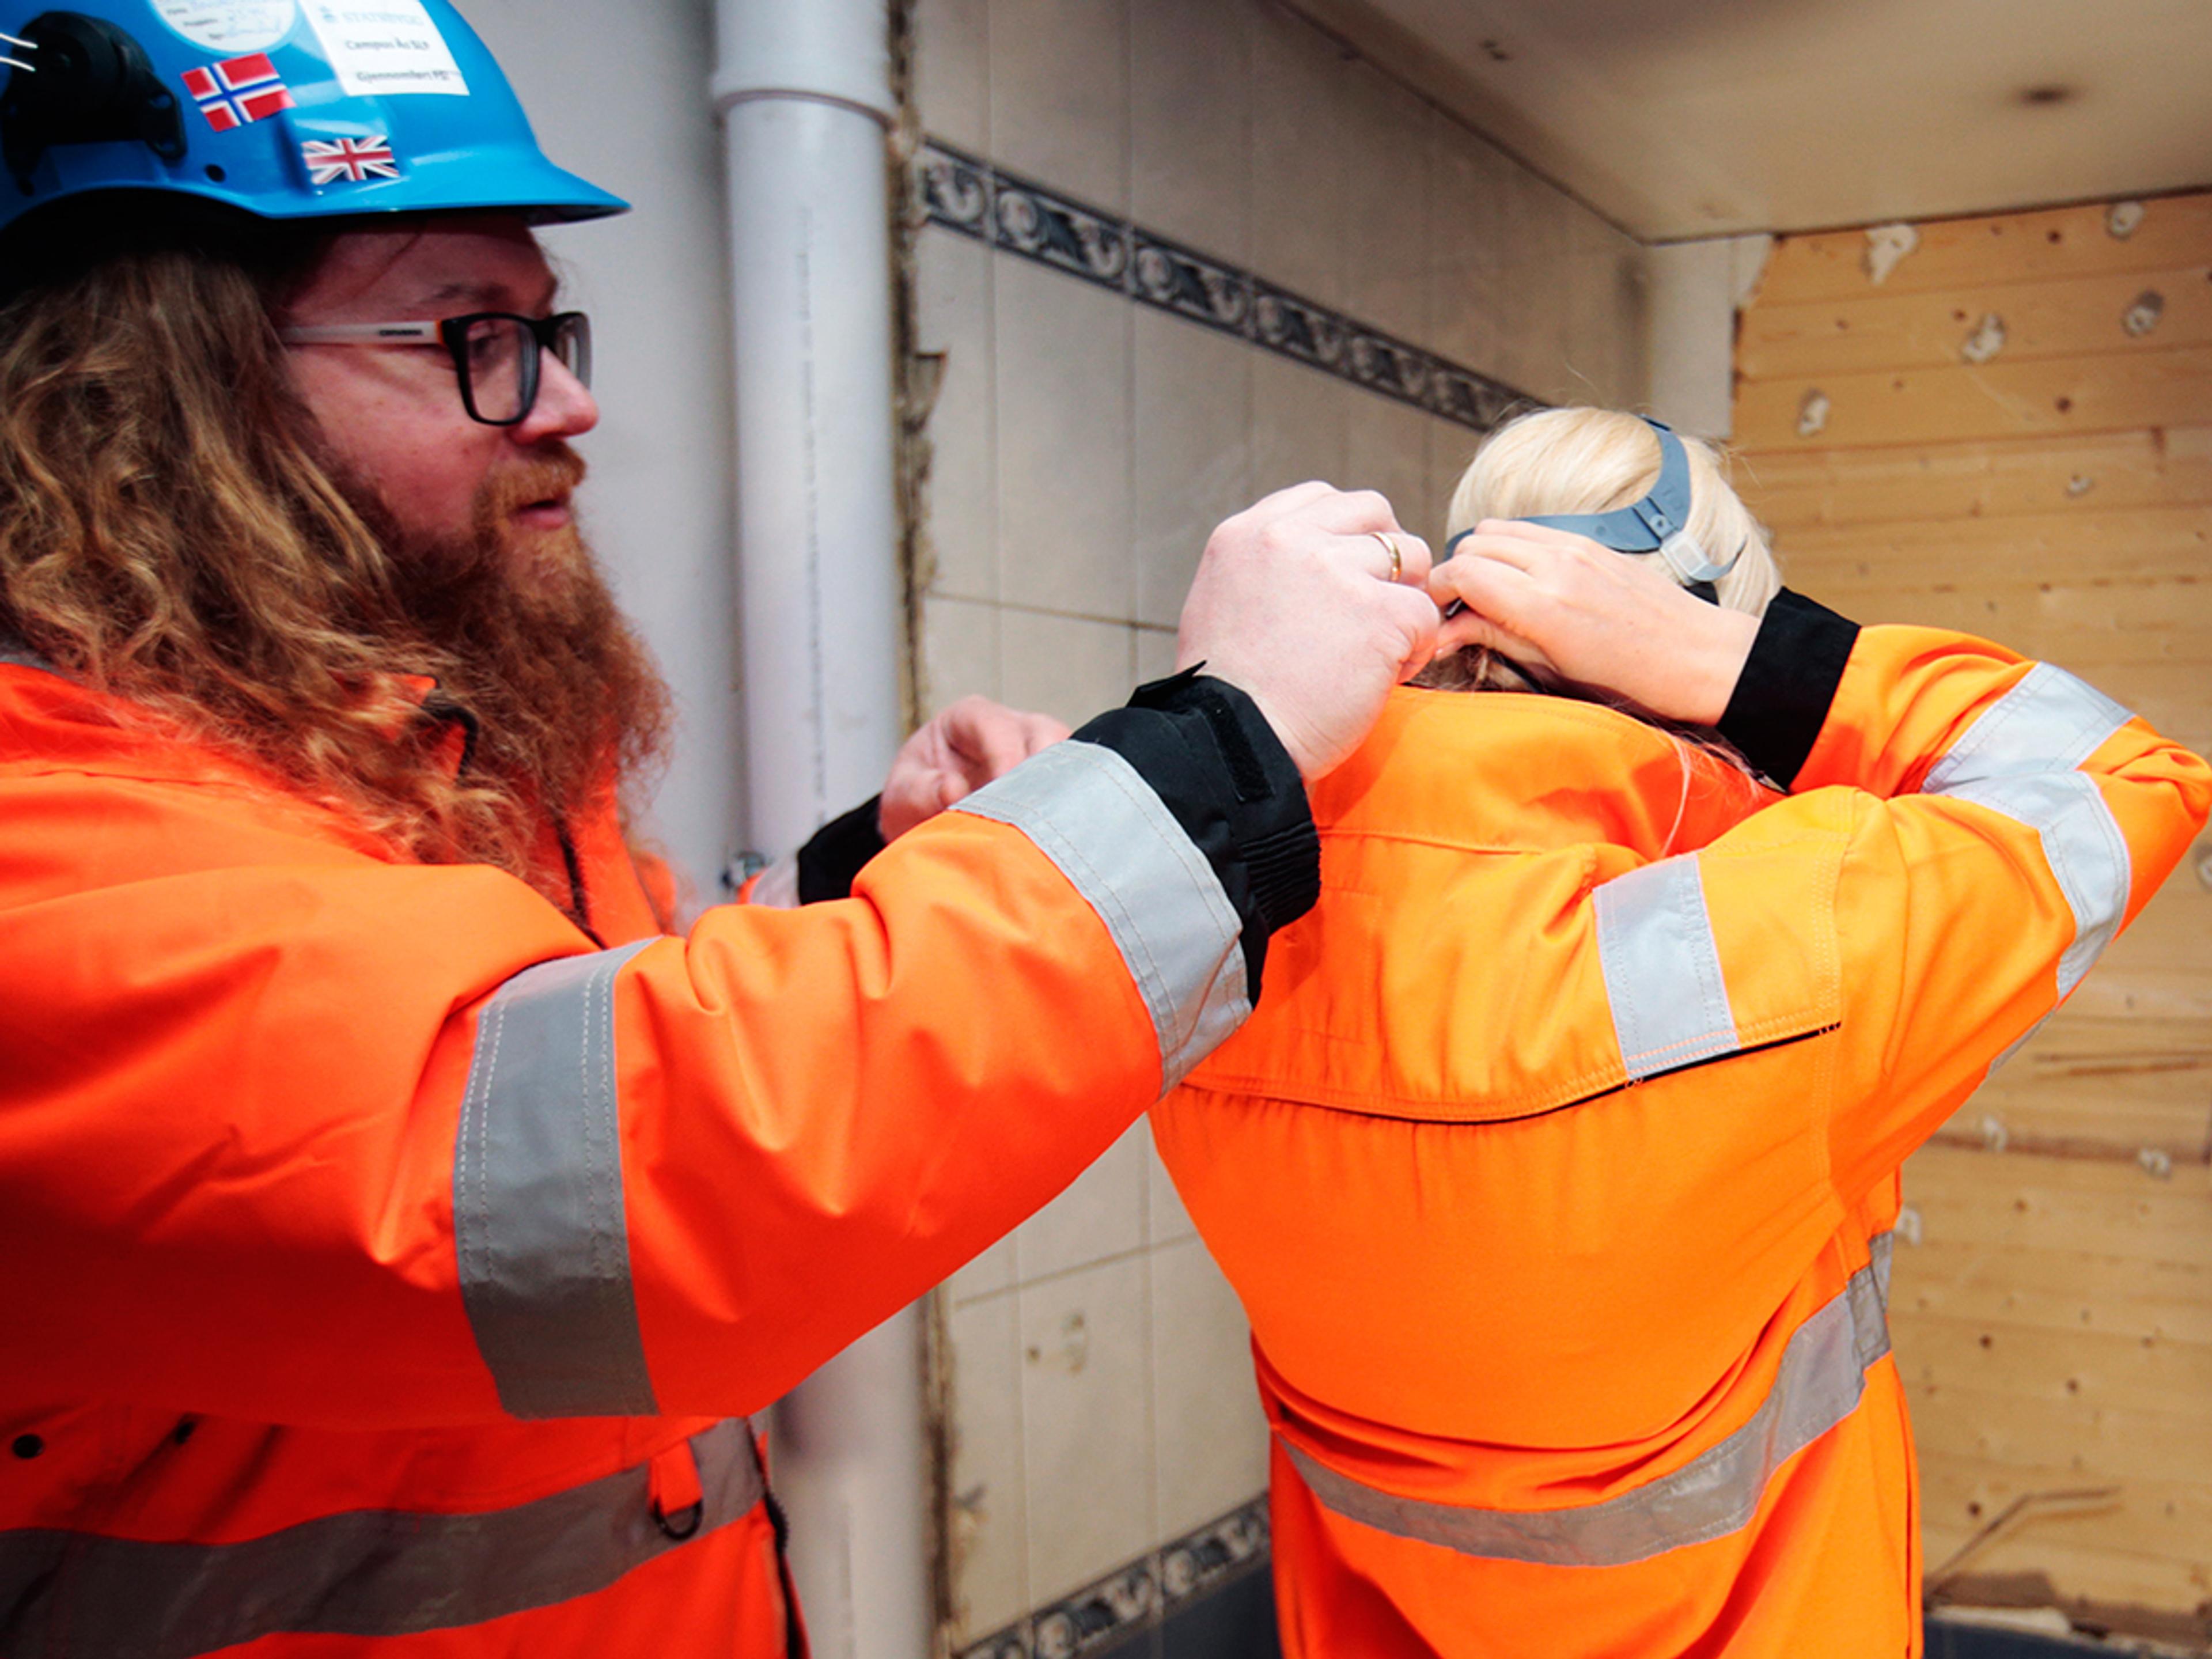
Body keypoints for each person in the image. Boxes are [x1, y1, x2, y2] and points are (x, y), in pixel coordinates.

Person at [0, 5, 1442, 1652]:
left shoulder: (383, 741)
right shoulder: (43, 847)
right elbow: (619, 1186)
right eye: (472, 334)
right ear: (156, 389)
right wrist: (1222, 743)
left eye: (550, 330)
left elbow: (601, 1020)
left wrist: (863, 866)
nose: (565, 403)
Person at [1150, 407, 2210, 1658]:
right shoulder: (1790, 941)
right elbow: (2127, 779)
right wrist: (1746, 666)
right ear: (1684, 617)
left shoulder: (1202, 910)